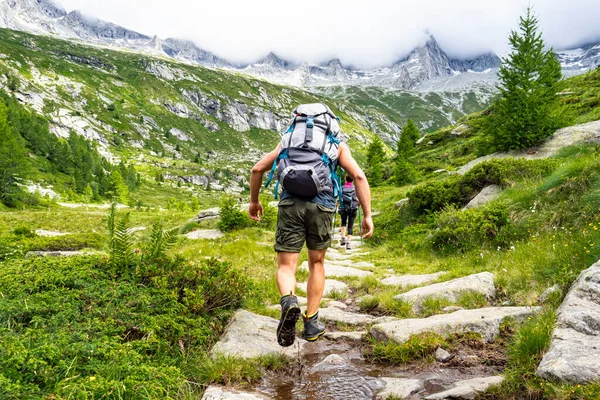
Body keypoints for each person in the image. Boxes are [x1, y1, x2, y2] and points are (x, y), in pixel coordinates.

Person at [248, 103, 373, 347]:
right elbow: (358, 176)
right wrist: (367, 214)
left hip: (290, 204)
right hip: (323, 206)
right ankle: (311, 323)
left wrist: (254, 201)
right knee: (316, 262)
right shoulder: (336, 146)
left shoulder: (287, 141)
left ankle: (288, 301)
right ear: (328, 123)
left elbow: (257, 169)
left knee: (287, 265)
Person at [340, 175, 359, 250]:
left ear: (345, 179)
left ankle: (343, 237)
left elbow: (340, 197)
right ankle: (348, 242)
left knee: (343, 222)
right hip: (353, 208)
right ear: (353, 180)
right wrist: (359, 204)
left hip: (344, 208)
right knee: (350, 225)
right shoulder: (355, 188)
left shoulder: (342, 188)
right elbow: (358, 198)